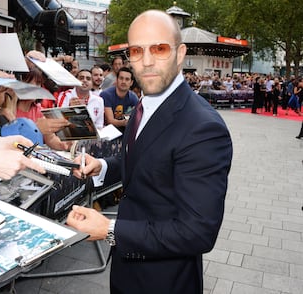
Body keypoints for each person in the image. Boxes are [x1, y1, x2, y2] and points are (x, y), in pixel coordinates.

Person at [66, 10, 232, 293]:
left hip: (164, 280)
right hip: (127, 270)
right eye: (136, 50)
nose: (147, 60)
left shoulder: (203, 128)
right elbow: (146, 159)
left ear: (180, 54)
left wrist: (110, 230)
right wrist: (104, 166)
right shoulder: (146, 103)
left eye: (159, 48)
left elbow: (198, 232)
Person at [100, 67, 138, 132]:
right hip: (105, 130)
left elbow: (137, 116)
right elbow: (110, 121)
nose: (123, 81)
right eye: (121, 78)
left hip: (124, 130)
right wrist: (125, 122)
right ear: (117, 80)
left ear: (131, 82)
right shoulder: (106, 94)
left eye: (127, 79)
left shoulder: (133, 97)